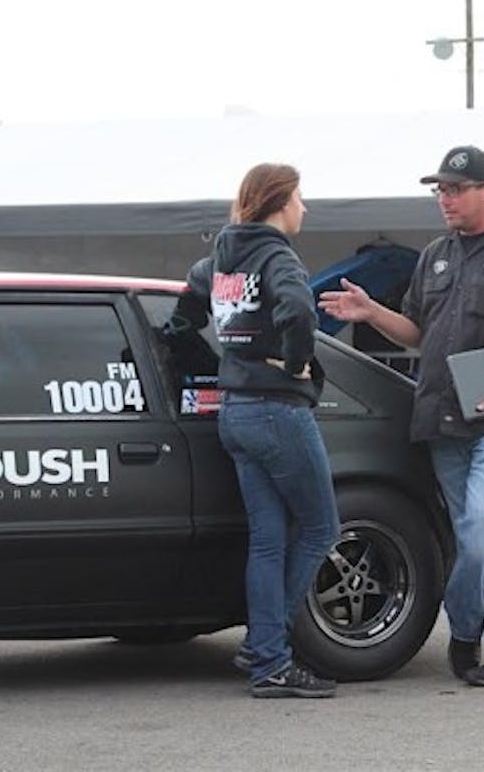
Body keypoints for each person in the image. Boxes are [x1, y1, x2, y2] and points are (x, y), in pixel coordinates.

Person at [320, 146, 484, 687]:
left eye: (455, 189)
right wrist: (371, 313)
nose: (445, 199)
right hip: (441, 418)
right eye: (439, 190)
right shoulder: (435, 254)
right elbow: (418, 333)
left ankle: (463, 629)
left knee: (482, 526)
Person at [184, 163, 340, 699]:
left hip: (235, 410)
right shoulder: (277, 254)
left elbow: (184, 313)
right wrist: (297, 364)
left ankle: (267, 660)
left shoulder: (219, 257)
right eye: (300, 198)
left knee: (269, 541)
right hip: (277, 410)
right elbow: (299, 312)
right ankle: (265, 647)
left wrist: (216, 360)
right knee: (321, 528)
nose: (305, 208)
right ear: (279, 202)